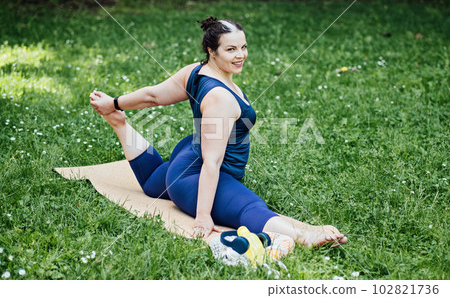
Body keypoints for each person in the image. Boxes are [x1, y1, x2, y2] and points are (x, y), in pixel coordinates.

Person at [89, 16, 347, 247]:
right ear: (212, 51)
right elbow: (212, 163)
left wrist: (113, 104)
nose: (240, 55)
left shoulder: (196, 72)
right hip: (196, 174)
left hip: (187, 154)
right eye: (231, 49)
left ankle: (119, 124)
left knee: (151, 186)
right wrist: (203, 215)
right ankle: (305, 237)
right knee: (249, 207)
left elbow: (153, 96)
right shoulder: (220, 98)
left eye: (243, 47)